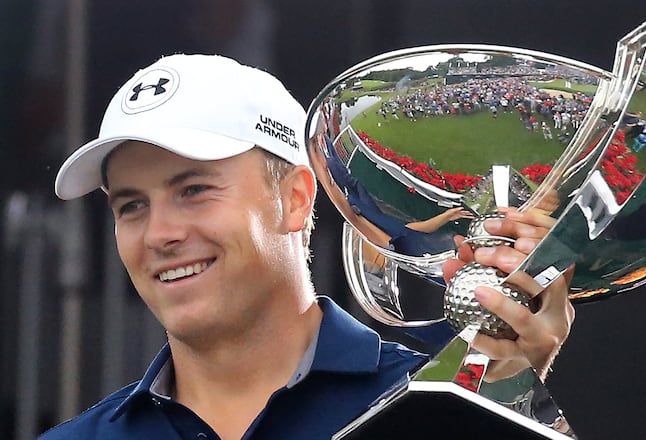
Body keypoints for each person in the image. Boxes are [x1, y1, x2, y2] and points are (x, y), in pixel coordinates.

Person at [40, 54, 574, 439]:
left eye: (194, 190)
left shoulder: (440, 400)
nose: (159, 233)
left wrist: (506, 402)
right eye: (132, 205)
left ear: (295, 198)